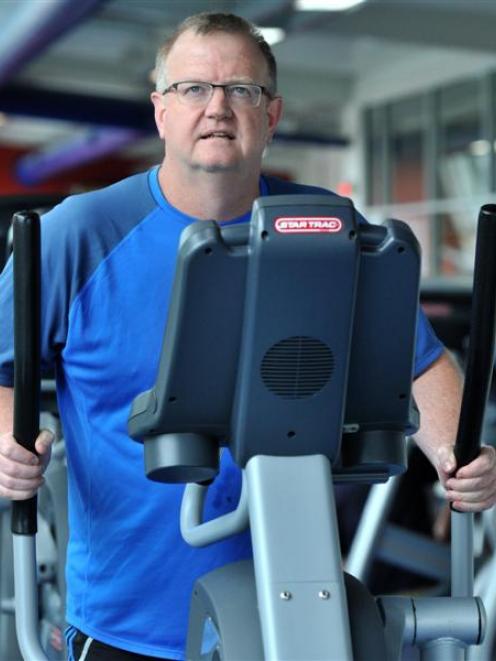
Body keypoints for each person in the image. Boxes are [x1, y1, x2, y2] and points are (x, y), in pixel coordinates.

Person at [0, 11, 495, 661]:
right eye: (193, 89)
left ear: (273, 114)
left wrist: (460, 454)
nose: (218, 107)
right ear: (161, 111)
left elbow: (420, 362)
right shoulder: (77, 234)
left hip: (294, 612)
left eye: (242, 89)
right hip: (128, 622)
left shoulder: (326, 229)